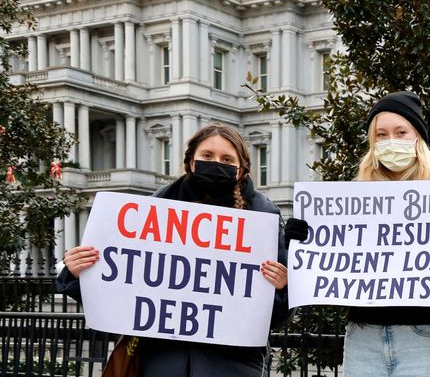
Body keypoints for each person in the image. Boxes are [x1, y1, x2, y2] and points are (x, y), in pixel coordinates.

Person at [56, 124, 307, 376]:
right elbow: (119, 292)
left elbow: (278, 316)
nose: (216, 163)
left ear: (240, 169)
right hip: (162, 360)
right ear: (192, 162)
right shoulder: (153, 210)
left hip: (234, 364)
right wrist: (77, 273)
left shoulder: (263, 217)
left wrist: (284, 286)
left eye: (227, 159)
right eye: (207, 155)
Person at [340, 91, 430, 377]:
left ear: (418, 137)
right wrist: (306, 239)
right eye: (381, 135)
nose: (390, 141)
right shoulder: (350, 201)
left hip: (424, 337)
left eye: (401, 132)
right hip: (362, 338)